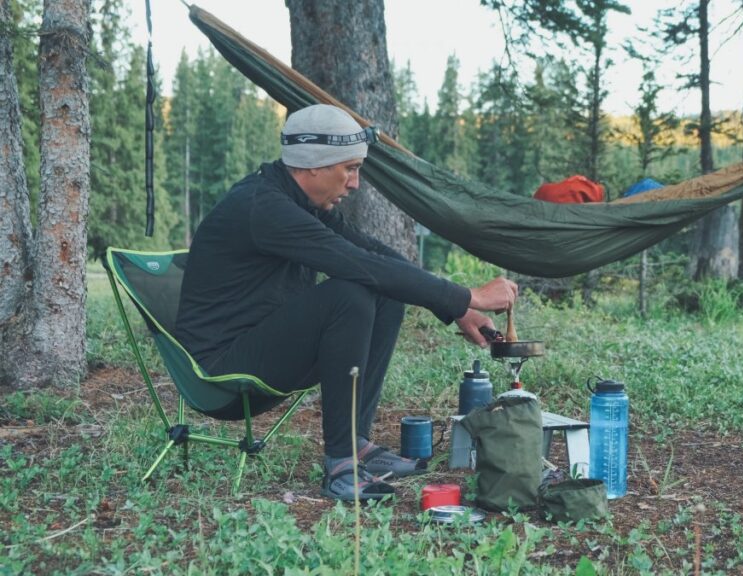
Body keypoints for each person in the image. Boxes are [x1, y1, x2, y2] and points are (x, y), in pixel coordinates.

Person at [176, 104, 517, 501]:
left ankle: (354, 443)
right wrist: (469, 295)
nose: (354, 184)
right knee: (349, 292)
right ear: (313, 166)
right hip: (222, 373)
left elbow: (374, 255)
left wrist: (455, 307)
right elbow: (359, 266)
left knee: (382, 290)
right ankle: (340, 466)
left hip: (260, 348)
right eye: (349, 169)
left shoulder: (299, 201)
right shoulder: (267, 209)